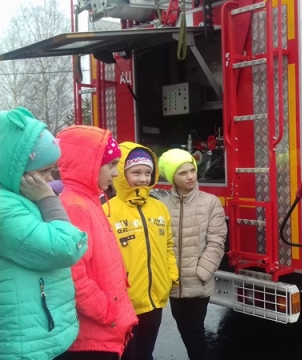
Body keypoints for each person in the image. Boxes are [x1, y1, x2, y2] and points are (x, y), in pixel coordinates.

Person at [0, 107, 88, 360]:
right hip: (23, 344)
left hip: (36, 336)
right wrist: (48, 199)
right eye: (42, 171)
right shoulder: (5, 208)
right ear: (12, 167)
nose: (49, 180)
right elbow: (67, 247)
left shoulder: (16, 197)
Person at [56, 125, 138, 360]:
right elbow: (74, 278)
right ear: (89, 163)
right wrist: (109, 312)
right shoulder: (75, 207)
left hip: (106, 328)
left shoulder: (89, 199)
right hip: (95, 335)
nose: (116, 173)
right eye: (111, 165)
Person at [104, 142, 179, 360]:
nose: (143, 178)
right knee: (128, 355)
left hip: (155, 300)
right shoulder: (108, 210)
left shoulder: (159, 207)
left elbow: (168, 246)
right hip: (125, 302)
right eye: (136, 172)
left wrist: (170, 276)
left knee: (146, 354)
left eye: (148, 172)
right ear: (121, 173)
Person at [158, 148, 227, 360]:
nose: (190, 176)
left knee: (194, 332)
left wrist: (201, 272)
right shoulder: (162, 205)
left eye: (192, 170)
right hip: (173, 284)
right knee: (185, 330)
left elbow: (216, 242)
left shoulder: (210, 202)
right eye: (182, 173)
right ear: (172, 177)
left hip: (198, 283)